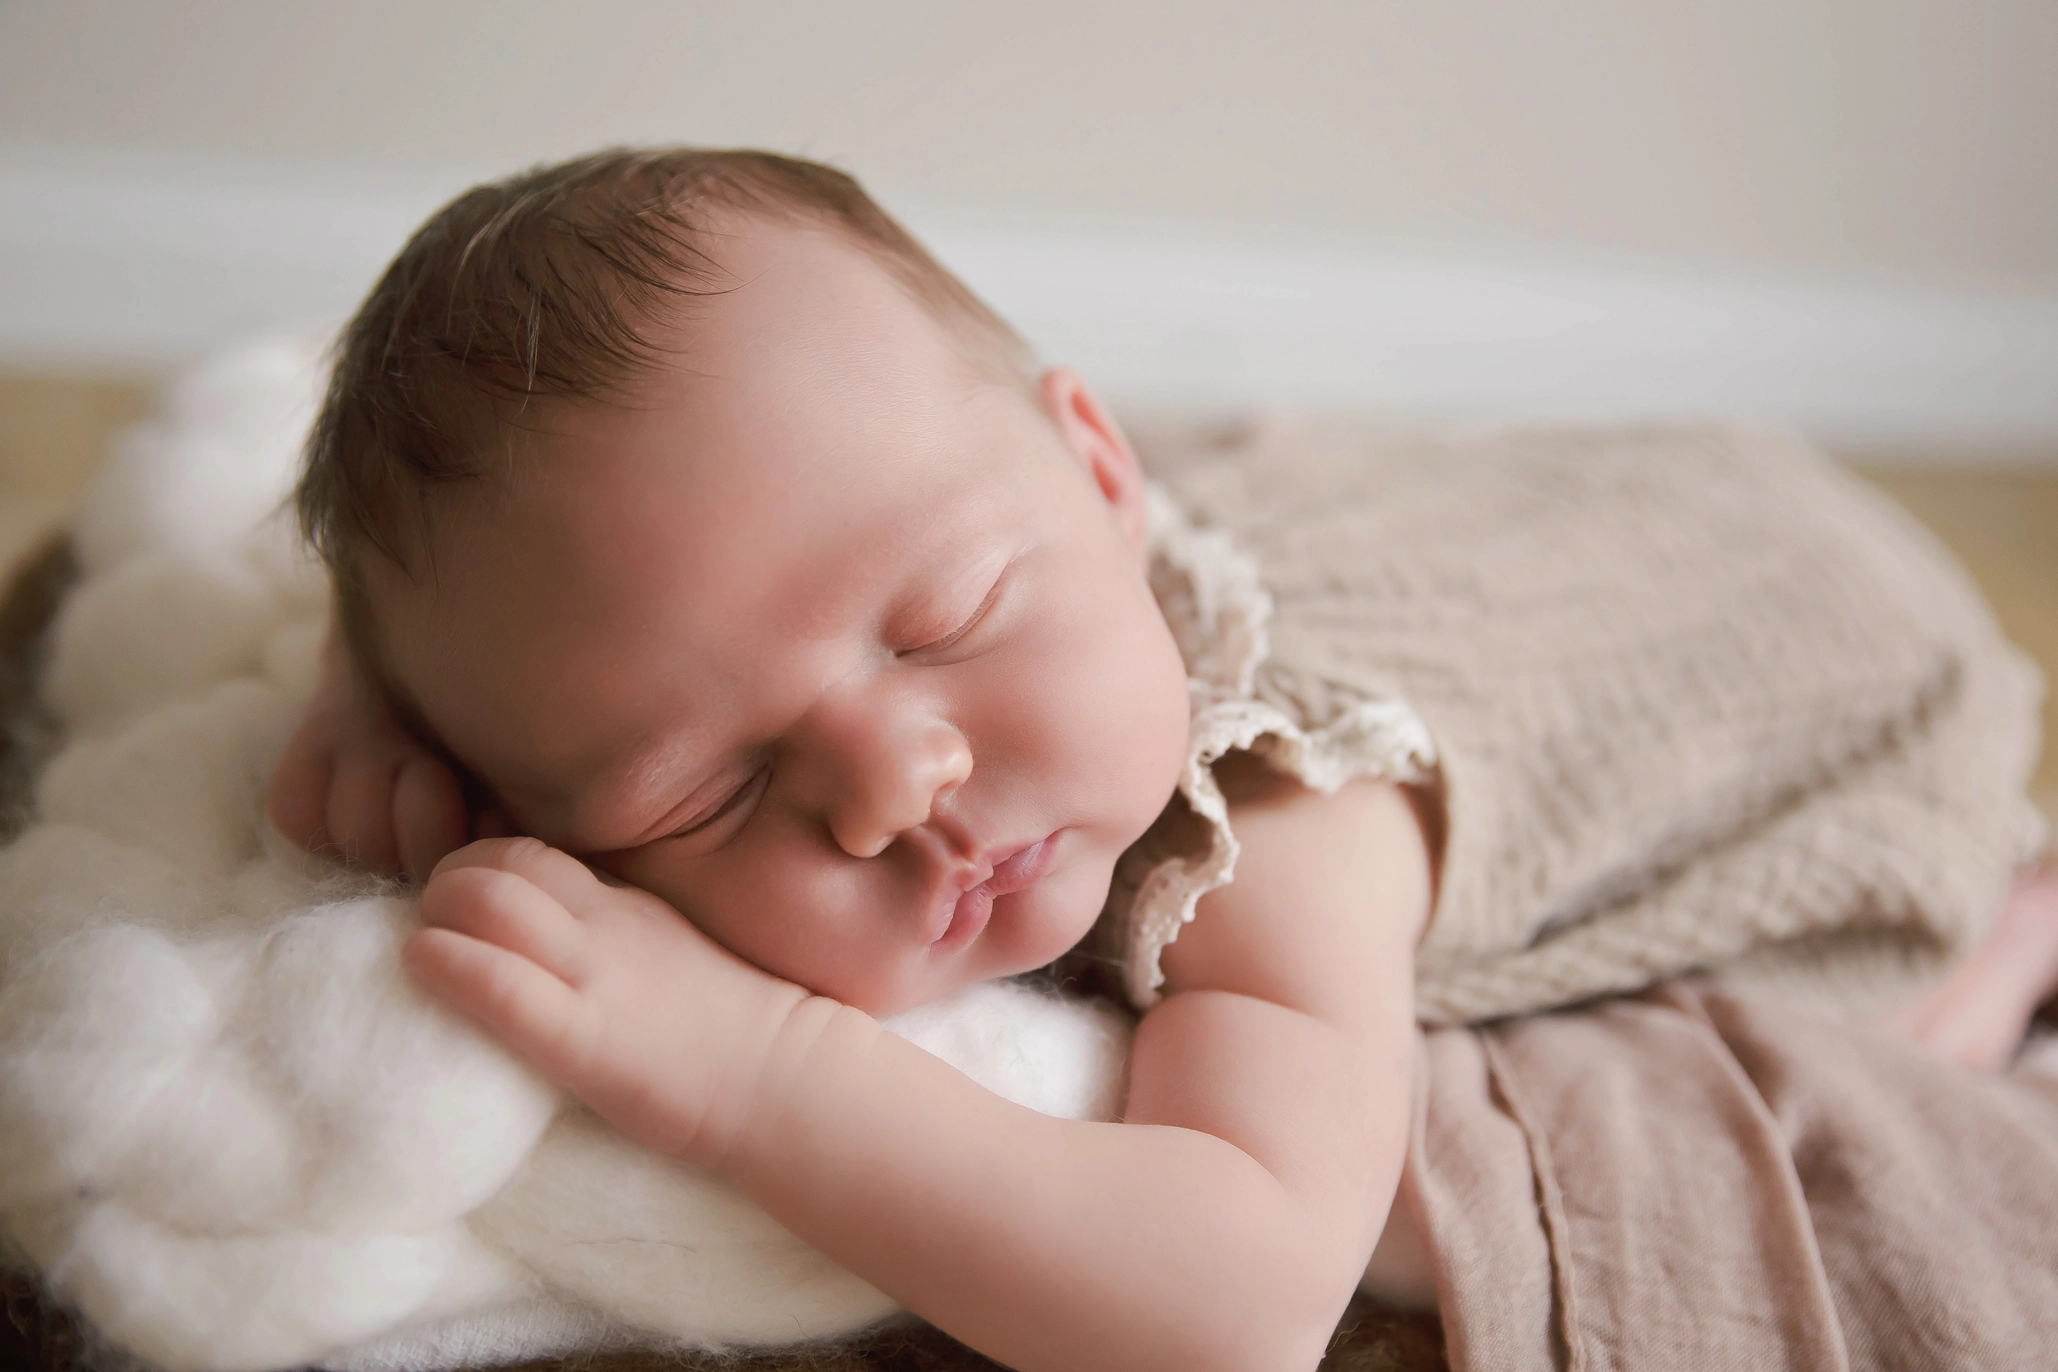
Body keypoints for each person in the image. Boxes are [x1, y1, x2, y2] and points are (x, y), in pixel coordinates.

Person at [268, 148, 2055, 1370]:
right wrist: (379, 686)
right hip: (1619, 510)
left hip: (1829, 674)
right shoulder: (976, 552)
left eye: (944, 613)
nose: (895, 780)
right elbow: (592, 608)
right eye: (701, 788)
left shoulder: (1276, 840)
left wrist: (743, 1070)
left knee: (1648, 1105)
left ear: (1104, 472)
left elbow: (1237, 1300)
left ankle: (2006, 950)